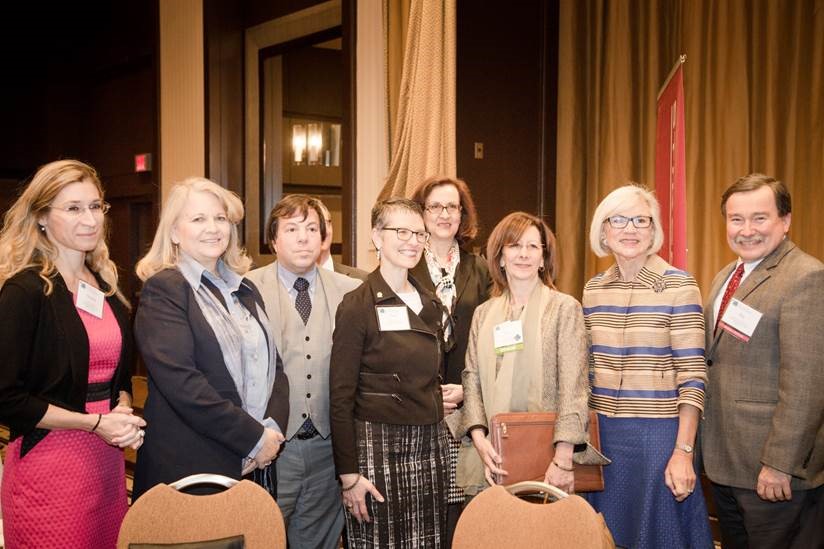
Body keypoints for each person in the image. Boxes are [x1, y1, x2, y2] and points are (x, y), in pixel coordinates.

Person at [0, 159, 144, 548]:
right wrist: (94, 424)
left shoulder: (105, 285)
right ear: (42, 218)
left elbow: (118, 377)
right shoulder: (26, 291)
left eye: (96, 206)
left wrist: (122, 410)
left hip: (107, 467)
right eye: (74, 208)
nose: (90, 219)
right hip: (49, 465)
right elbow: (6, 399)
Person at [132, 177, 288, 500]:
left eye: (220, 219)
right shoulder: (164, 289)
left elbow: (276, 368)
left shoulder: (245, 288)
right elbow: (183, 384)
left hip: (257, 465)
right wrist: (254, 438)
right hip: (193, 466)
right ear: (174, 231)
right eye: (198, 219)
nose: (213, 228)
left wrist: (270, 433)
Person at [582, 184, 713, 548]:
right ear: (603, 231)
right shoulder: (593, 289)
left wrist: (683, 452)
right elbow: (587, 369)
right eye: (619, 220)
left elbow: (693, 376)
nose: (630, 229)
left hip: (658, 438)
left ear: (654, 231)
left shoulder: (679, 286)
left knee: (660, 535)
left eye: (642, 220)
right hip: (603, 436)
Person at [702, 174, 824, 549]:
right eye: (736, 219)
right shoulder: (728, 275)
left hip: (772, 474)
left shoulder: (806, 277)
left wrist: (779, 464)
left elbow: (806, 385)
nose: (746, 230)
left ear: (785, 222)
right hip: (727, 464)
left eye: (760, 218)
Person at [330, 198, 449, 548]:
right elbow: (340, 396)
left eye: (420, 234)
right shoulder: (357, 304)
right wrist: (349, 476)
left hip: (429, 442)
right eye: (402, 231)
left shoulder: (429, 301)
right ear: (377, 237)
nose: (413, 241)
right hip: (377, 445)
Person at [459, 211, 602, 497]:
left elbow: (574, 389)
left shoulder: (564, 309)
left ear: (543, 259)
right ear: (499, 257)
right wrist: (479, 438)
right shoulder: (483, 314)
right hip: (490, 453)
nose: (523, 254)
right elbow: (471, 379)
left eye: (533, 246)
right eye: (514, 246)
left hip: (547, 459)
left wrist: (562, 459)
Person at [247, 194, 361, 549]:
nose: (303, 238)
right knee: (261, 536)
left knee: (317, 541)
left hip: (328, 449)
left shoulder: (351, 292)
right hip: (270, 448)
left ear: (324, 238)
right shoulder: (246, 289)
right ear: (274, 239)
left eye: (312, 229)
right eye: (292, 229)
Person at [409, 176, 491, 545]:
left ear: (462, 214)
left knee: (465, 513)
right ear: (420, 213)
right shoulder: (403, 267)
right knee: (423, 511)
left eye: (452, 207)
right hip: (416, 408)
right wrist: (427, 394)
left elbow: (491, 337)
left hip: (467, 406)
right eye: (435, 207)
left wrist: (469, 388)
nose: (444, 214)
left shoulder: (482, 269)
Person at [316, 198, 368, 281]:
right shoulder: (291, 282)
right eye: (311, 227)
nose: (320, 231)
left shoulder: (362, 280)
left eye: (323, 223)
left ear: (331, 226)